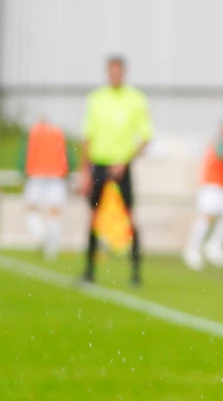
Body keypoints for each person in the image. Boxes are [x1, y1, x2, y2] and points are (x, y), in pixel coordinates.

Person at [80, 55, 151, 286]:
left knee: (130, 217)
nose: (115, 75)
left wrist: (125, 160)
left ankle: (136, 273)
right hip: (99, 164)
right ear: (107, 73)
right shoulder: (96, 99)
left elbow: (146, 137)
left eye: (118, 71)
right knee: (93, 216)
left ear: (124, 73)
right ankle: (89, 271)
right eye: (111, 71)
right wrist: (85, 171)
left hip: (123, 165)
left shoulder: (136, 100)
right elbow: (87, 137)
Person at [184, 121, 223, 270]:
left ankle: (214, 245)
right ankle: (192, 249)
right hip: (212, 185)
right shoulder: (220, 145)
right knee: (207, 216)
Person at [19, 115, 75, 259]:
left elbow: (26, 153)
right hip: (56, 175)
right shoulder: (58, 133)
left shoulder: (34, 132)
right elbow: (66, 154)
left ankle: (42, 235)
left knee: (31, 207)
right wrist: (68, 171)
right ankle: (52, 248)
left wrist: (21, 170)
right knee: (54, 211)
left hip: (36, 173)